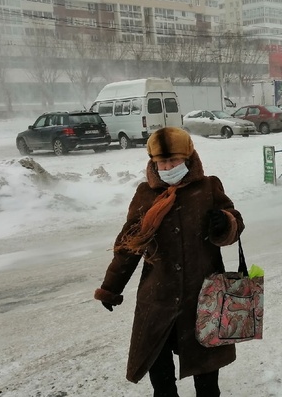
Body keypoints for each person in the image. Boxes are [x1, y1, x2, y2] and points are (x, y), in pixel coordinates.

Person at [94, 127, 244, 397]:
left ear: (187, 158)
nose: (167, 167)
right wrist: (111, 288)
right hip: (158, 300)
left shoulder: (209, 187)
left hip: (204, 298)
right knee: (161, 380)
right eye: (161, 162)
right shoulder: (145, 195)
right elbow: (128, 246)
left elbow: (235, 223)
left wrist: (226, 221)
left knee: (207, 380)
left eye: (173, 161)